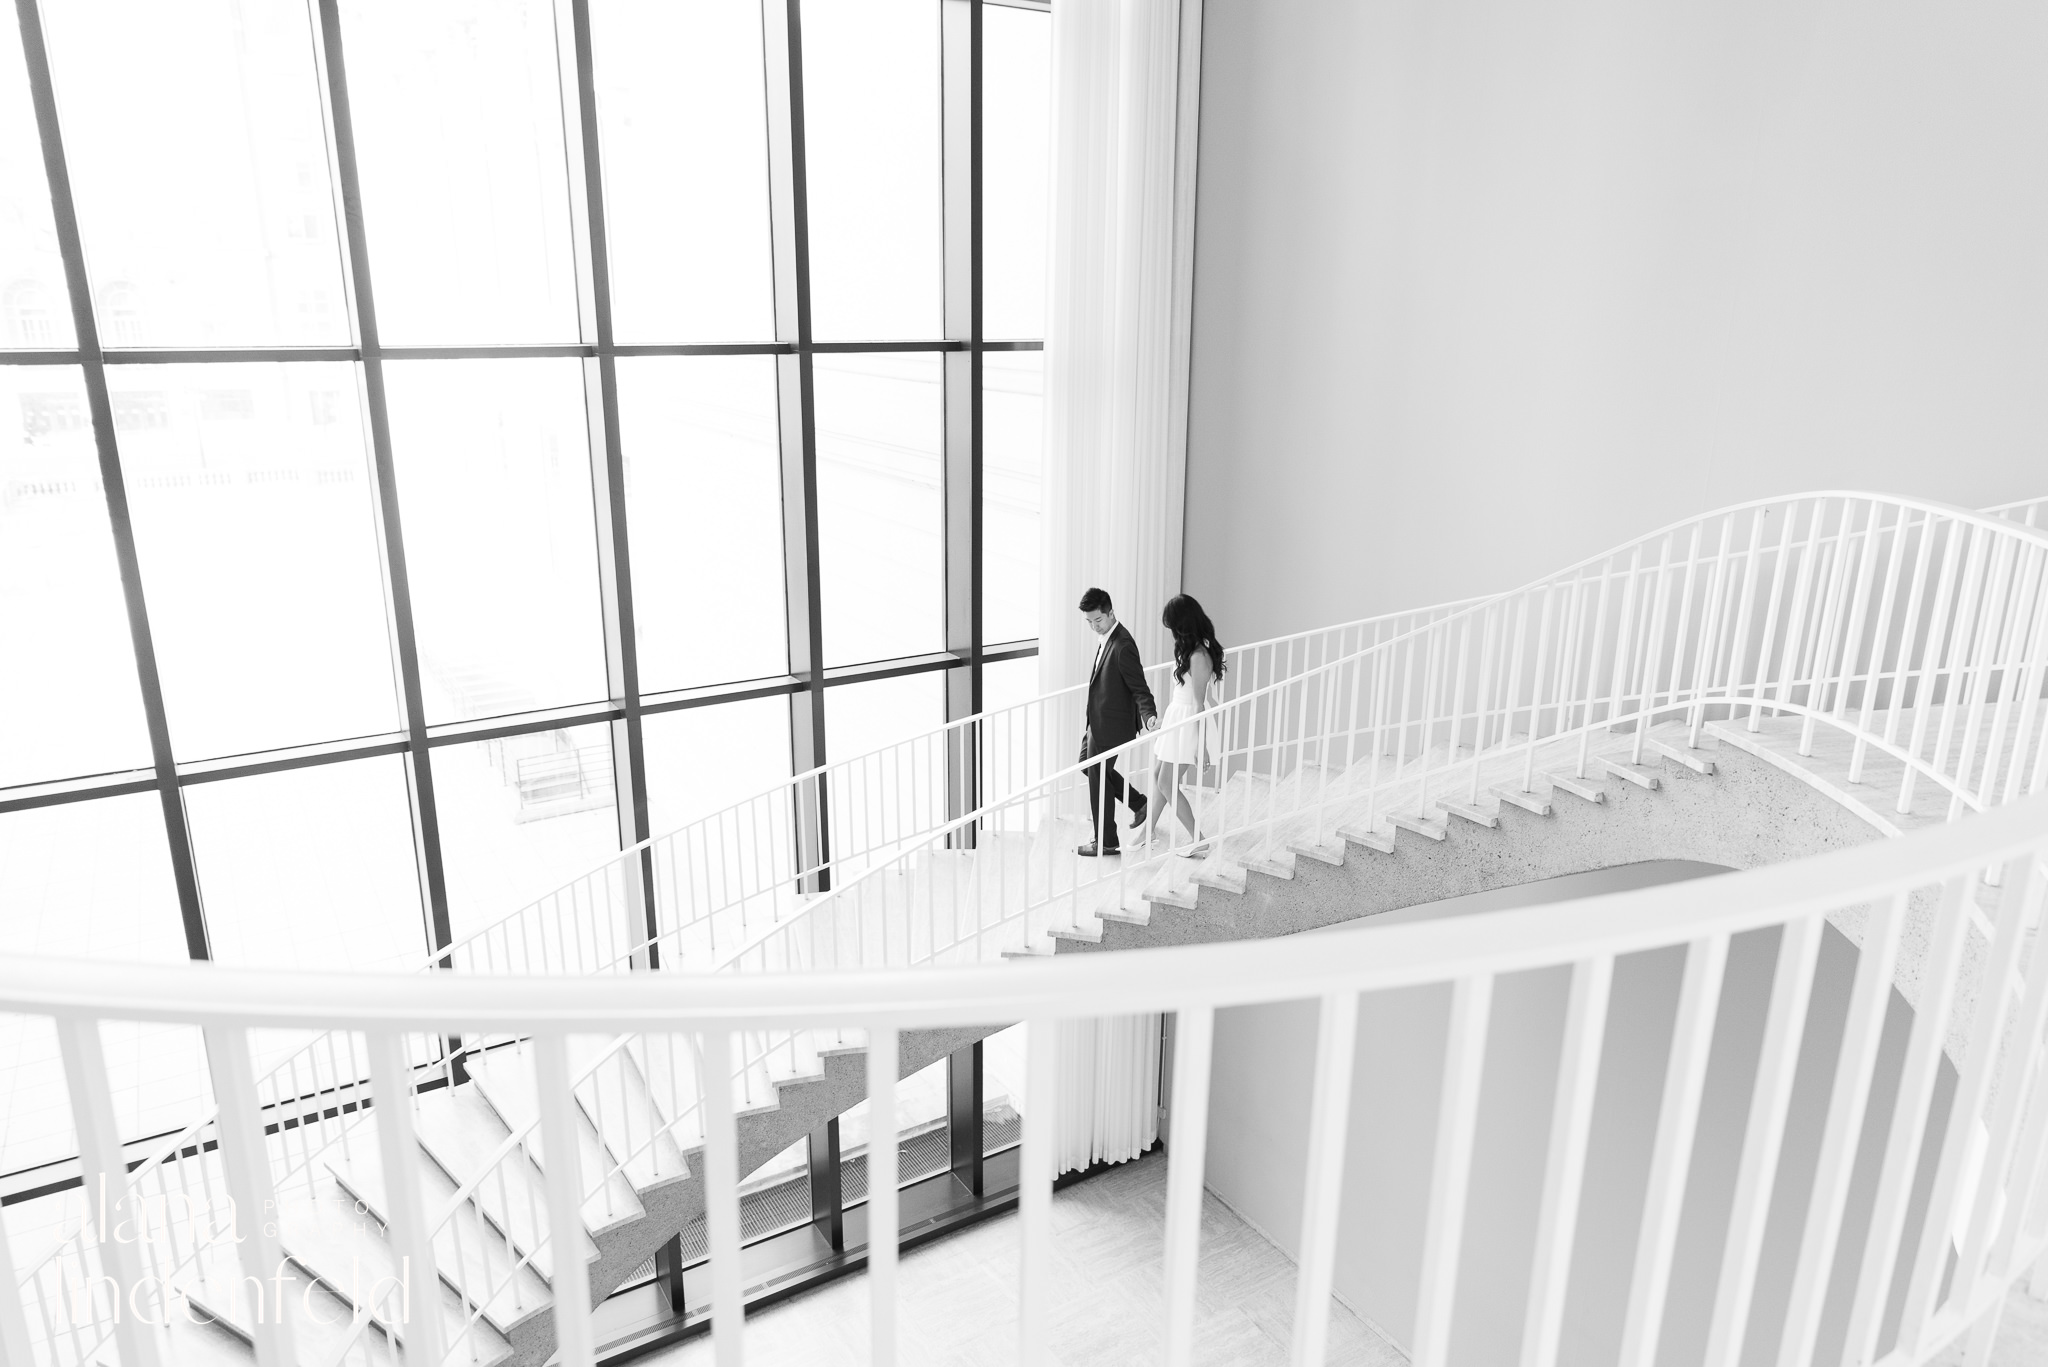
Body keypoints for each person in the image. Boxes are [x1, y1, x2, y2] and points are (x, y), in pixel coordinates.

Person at [1075, 587, 1158, 857]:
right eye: (1089, 622)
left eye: (1098, 620)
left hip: (1112, 727)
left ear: (1111, 613)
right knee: (1088, 768)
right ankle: (1140, 803)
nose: (1094, 627)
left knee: (1098, 778)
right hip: (1097, 723)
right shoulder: (1106, 637)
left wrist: (1149, 715)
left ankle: (1106, 841)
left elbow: (1140, 688)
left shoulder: (1123, 646)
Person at [1141, 595, 1224, 855]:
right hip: (1179, 719)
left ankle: (1197, 838)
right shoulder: (1189, 649)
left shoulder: (1199, 655)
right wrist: (1165, 721)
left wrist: (1201, 746)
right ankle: (1147, 831)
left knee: (1166, 782)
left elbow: (1198, 704)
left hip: (1190, 724)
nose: (1173, 634)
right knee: (1158, 775)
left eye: (1174, 627)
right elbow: (1183, 697)